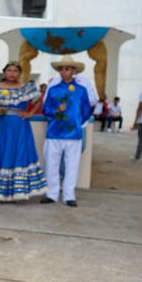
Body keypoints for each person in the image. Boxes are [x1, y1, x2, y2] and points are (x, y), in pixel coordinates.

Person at [0, 61, 47, 201]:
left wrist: (30, 113)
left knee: (17, 154)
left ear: (20, 73)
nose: (12, 73)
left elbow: (39, 101)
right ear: (4, 72)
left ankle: (16, 192)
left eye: (15, 71)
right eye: (9, 70)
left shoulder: (26, 88)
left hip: (18, 126)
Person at [40, 56, 92, 207]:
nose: (64, 71)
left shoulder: (81, 90)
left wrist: (75, 121)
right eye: (61, 69)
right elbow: (45, 109)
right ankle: (52, 194)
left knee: (72, 165)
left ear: (74, 71)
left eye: (67, 68)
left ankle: (69, 195)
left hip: (73, 134)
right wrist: (56, 110)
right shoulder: (53, 89)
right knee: (51, 164)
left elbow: (86, 111)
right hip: (54, 133)